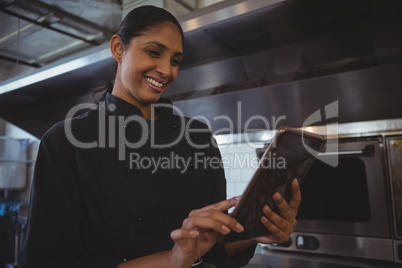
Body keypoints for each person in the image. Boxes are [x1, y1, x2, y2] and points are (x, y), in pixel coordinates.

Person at [18, 5, 300, 268]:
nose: (167, 70)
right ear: (118, 47)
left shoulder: (198, 138)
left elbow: (214, 249)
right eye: (154, 52)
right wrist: (171, 259)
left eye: (175, 60)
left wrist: (255, 232)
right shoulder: (66, 142)